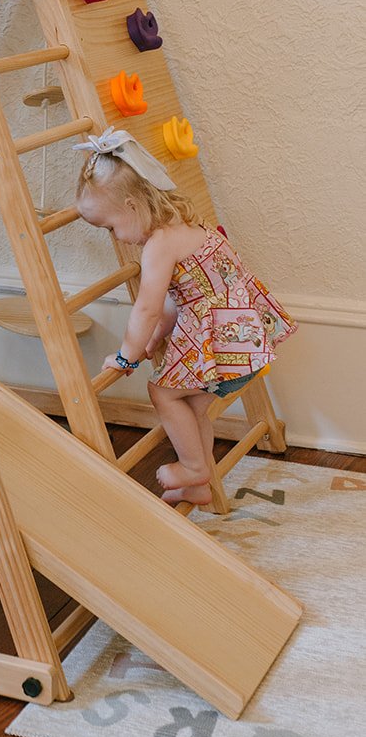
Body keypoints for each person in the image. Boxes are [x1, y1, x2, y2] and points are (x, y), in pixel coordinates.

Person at [74, 128, 297, 508]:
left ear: (132, 204)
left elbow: (146, 306)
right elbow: (178, 301)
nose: (116, 237)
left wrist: (127, 354)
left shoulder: (159, 245)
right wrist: (153, 338)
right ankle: (199, 484)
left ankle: (194, 467)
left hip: (227, 343)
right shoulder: (189, 226)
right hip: (244, 339)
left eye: (110, 226)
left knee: (161, 392)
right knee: (192, 409)